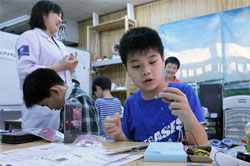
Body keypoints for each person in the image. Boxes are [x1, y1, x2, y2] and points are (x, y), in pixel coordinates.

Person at [104, 27, 208, 145]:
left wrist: (188, 115)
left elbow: (202, 144)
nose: (146, 71)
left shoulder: (184, 92)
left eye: (152, 62)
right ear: (126, 69)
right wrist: (117, 133)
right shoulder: (131, 103)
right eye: (137, 66)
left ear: (163, 60)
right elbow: (129, 145)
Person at [16, 0, 78, 129]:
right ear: (44, 14)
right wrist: (61, 66)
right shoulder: (29, 37)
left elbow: (63, 76)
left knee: (61, 145)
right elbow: (25, 70)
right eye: (57, 15)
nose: (60, 21)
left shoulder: (60, 44)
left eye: (61, 17)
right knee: (38, 146)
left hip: (60, 106)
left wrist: (70, 68)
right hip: (41, 108)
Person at [22, 68, 100, 135]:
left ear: (55, 91)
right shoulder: (68, 103)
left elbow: (89, 141)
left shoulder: (79, 100)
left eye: (46, 104)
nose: (50, 108)